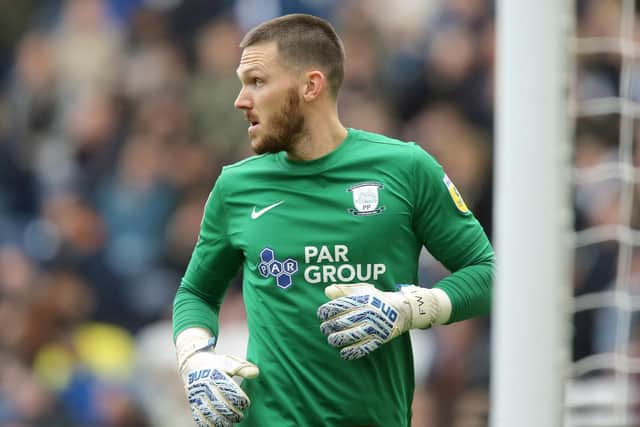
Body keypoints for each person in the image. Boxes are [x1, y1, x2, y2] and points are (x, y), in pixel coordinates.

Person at [172, 13, 494, 427]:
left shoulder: (406, 168)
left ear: (311, 85)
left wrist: (407, 308)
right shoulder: (236, 186)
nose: (241, 99)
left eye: (256, 81)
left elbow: (486, 274)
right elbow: (196, 293)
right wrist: (195, 359)